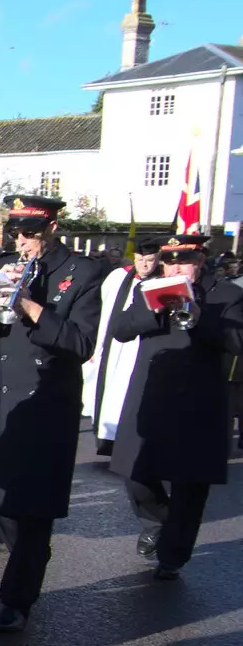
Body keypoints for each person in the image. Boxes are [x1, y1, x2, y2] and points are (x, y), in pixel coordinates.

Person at [0, 195, 104, 633]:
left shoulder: (82, 272)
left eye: (31, 232)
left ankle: (16, 600)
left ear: (53, 227)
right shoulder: (1, 265)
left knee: (35, 507)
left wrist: (29, 304)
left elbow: (81, 344)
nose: (22, 241)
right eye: (17, 232)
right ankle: (32, 555)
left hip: (45, 405)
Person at [104, 235, 243, 579]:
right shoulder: (148, 289)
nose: (176, 268)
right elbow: (119, 330)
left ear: (201, 260)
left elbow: (238, 342)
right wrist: (150, 312)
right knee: (133, 470)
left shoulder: (227, 294)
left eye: (185, 261)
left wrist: (199, 318)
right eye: (170, 261)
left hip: (200, 402)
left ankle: (173, 556)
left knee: (190, 485)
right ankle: (156, 518)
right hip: (152, 394)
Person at [86, 237, 162, 451]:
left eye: (150, 259)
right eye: (140, 259)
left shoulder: (162, 282)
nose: (145, 265)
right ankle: (110, 441)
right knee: (113, 391)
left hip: (142, 347)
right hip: (116, 346)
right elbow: (104, 313)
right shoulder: (118, 278)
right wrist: (98, 345)